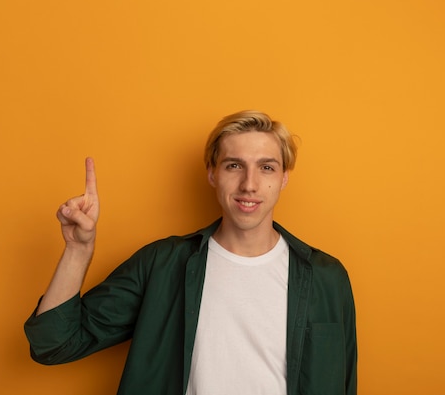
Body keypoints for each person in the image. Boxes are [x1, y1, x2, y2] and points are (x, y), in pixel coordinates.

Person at [24, 110, 357, 395]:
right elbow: (54, 344)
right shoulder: (162, 265)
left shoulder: (326, 277)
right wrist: (78, 250)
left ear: (284, 177)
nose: (250, 185)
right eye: (234, 166)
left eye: (267, 168)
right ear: (212, 174)